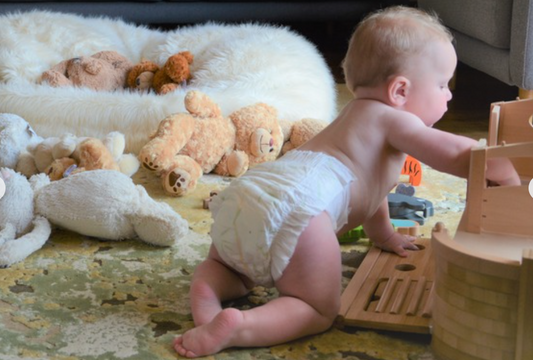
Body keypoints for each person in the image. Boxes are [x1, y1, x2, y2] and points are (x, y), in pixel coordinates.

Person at [174, 5, 520, 358]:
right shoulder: (393, 120)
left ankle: (207, 289)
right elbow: (453, 154)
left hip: (254, 193)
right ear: (400, 91)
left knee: (231, 267)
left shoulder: (352, 115)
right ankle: (240, 327)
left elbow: (372, 190)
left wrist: (382, 234)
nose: (448, 94)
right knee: (317, 308)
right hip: (302, 210)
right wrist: (495, 162)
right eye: (443, 84)